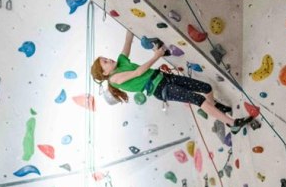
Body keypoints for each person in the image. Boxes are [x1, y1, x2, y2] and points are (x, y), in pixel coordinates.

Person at [91, 30, 253, 132]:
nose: (108, 59)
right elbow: (139, 72)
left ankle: (213, 108)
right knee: (198, 99)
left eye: (105, 58)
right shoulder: (114, 79)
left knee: (206, 87)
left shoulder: (120, 61)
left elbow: (128, 39)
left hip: (164, 77)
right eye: (104, 62)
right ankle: (232, 124)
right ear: (104, 73)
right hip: (160, 89)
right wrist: (156, 56)